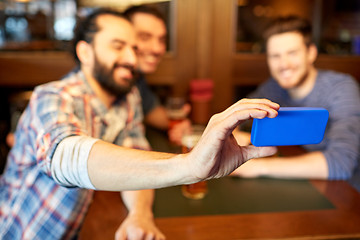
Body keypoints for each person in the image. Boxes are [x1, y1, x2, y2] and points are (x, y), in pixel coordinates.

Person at [0, 8, 280, 239]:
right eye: (118, 46)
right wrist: (189, 166)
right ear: (85, 52)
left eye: (134, 48)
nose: (132, 59)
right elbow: (65, 157)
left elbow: (137, 150)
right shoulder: (51, 96)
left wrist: (140, 215)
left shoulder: (128, 97)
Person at [232, 15, 360, 191]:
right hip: (304, 185)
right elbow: (240, 114)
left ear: (311, 53)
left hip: (345, 194)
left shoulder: (341, 88)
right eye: (275, 56)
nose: (284, 64)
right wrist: (234, 132)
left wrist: (257, 167)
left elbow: (341, 163)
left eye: (292, 53)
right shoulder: (273, 89)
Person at [124, 5, 190, 144]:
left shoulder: (136, 78)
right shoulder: (84, 88)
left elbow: (152, 111)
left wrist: (179, 124)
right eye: (145, 37)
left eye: (161, 40)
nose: (157, 49)